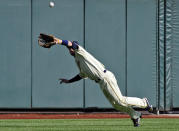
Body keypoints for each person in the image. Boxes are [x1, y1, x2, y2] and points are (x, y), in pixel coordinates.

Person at [51, 37, 153, 127]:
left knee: (121, 100)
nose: (70, 49)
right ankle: (134, 115)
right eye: (69, 49)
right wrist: (69, 81)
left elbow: (70, 43)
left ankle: (144, 102)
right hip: (101, 82)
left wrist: (59, 41)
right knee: (116, 105)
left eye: (71, 48)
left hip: (106, 78)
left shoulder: (80, 52)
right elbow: (82, 75)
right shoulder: (78, 61)